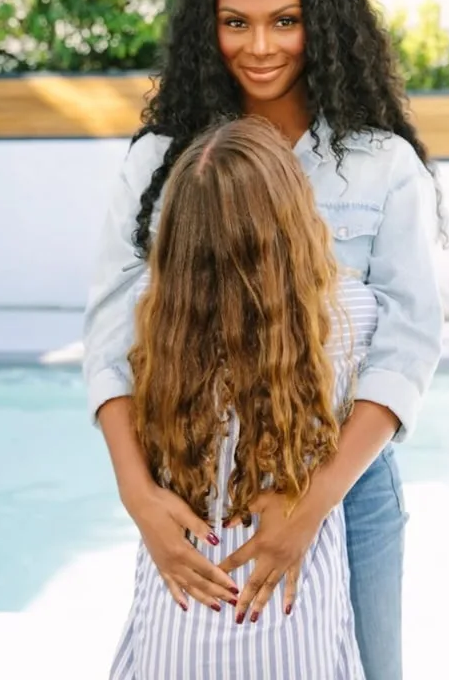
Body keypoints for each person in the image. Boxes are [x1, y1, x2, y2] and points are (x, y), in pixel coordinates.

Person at [83, 0, 444, 680]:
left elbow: (407, 345)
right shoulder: (159, 160)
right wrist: (138, 495)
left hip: (349, 488)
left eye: (286, 20)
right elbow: (111, 331)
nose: (261, 46)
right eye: (235, 22)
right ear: (206, 28)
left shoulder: (383, 167)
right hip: (188, 480)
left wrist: (311, 503)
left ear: (322, 23)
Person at [111, 115, 368, 677]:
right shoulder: (352, 319)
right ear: (294, 216)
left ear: (176, 236)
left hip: (174, 631)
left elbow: (112, 385)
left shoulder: (146, 320)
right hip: (293, 630)